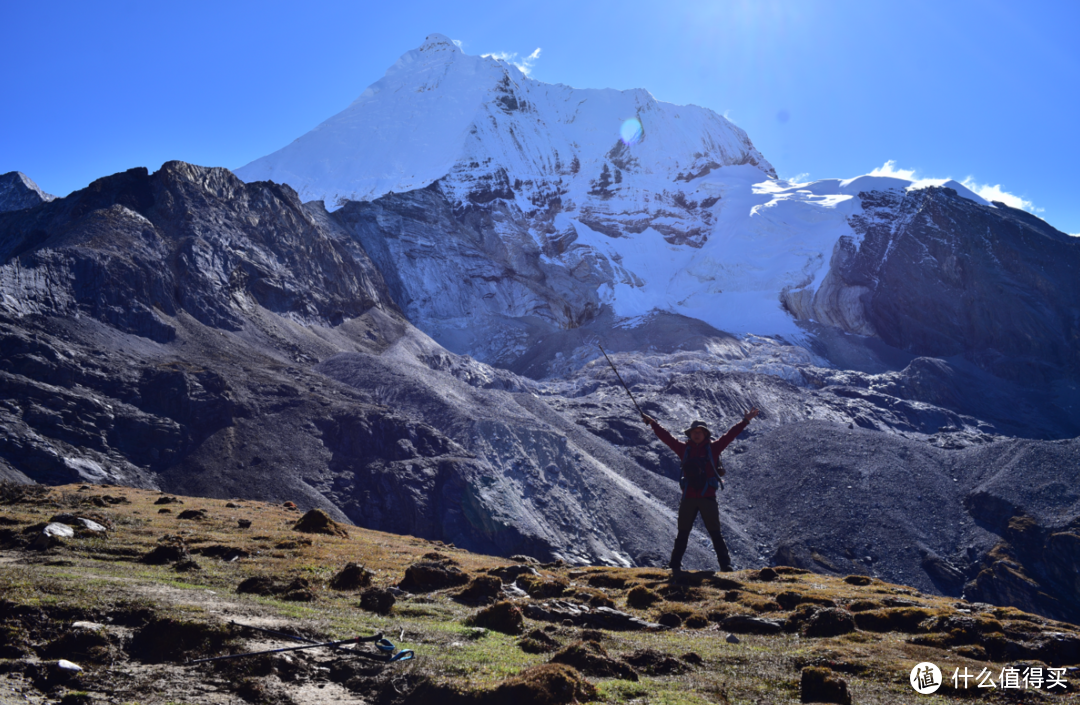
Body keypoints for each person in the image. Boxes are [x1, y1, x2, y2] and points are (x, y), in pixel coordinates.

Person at [641, 407, 760, 577]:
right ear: (690, 434)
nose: (696, 434)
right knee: (683, 532)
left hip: (706, 497)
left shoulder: (714, 448)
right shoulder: (684, 449)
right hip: (690, 497)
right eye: (694, 432)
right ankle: (674, 565)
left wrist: (745, 421)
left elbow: (730, 435)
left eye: (700, 432)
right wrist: (653, 423)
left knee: (714, 533)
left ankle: (725, 567)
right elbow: (666, 437)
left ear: (705, 434)